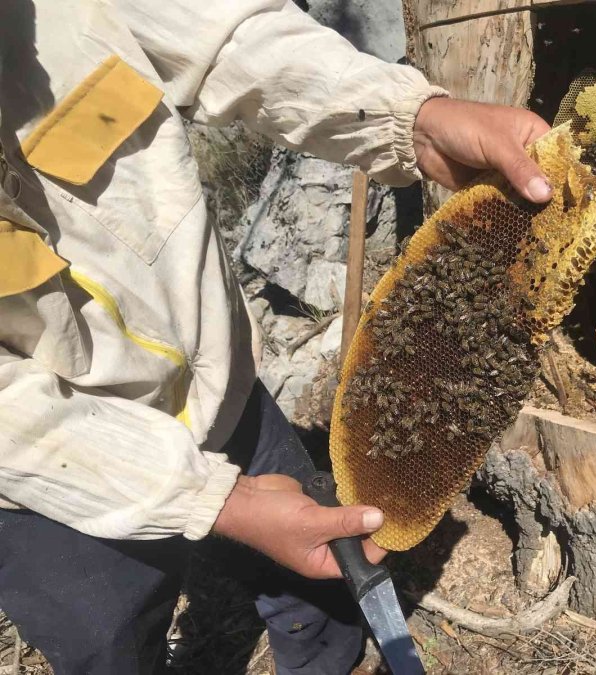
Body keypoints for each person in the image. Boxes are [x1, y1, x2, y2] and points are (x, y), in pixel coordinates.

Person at [0, 1, 552, 673]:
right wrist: (214, 501)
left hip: (221, 386)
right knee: (114, 645)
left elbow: (230, 38)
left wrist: (412, 119)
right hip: (50, 476)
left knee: (321, 590)